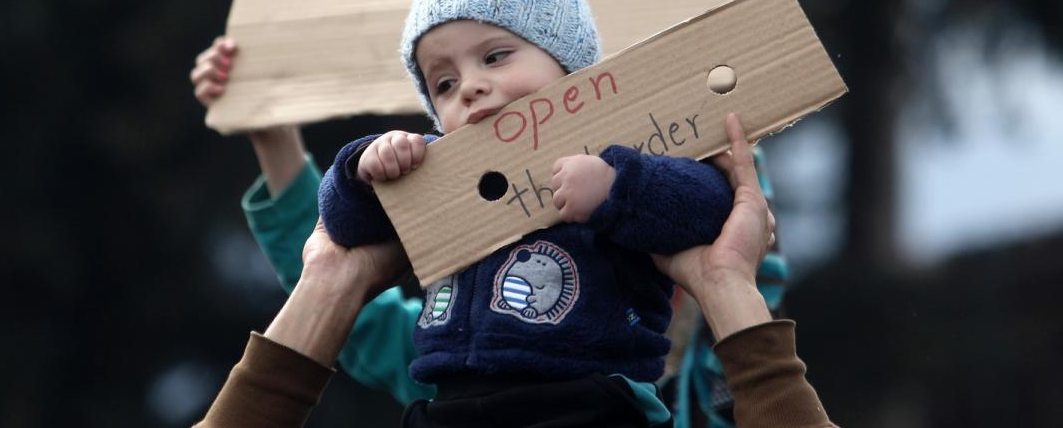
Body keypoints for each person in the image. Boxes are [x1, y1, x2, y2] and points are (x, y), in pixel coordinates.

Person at [315, 0, 736, 426]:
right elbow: (342, 226)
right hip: (450, 406)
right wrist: (363, 168)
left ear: (570, 65)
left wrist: (614, 188)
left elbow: (708, 207)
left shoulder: (622, 154)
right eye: (444, 84)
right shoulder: (434, 170)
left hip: (584, 402)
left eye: (495, 56)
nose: (469, 86)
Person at [196, 114, 835, 428]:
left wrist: (726, 276)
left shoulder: (704, 405)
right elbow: (349, 316)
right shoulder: (468, 358)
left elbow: (751, 268)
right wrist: (326, 268)